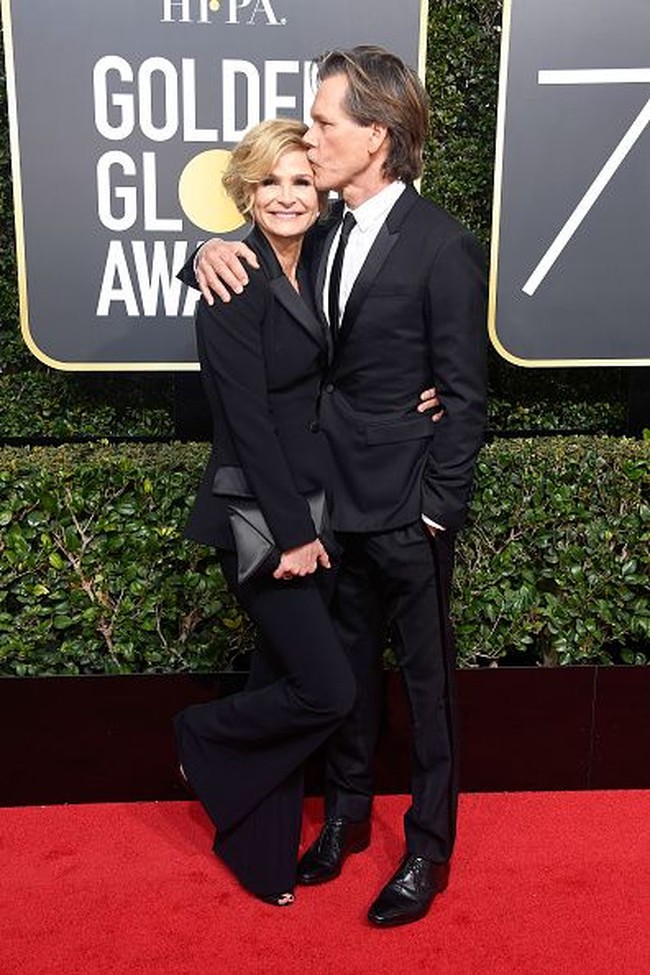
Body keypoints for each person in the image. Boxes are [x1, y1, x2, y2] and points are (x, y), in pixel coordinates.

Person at [190, 46, 487, 927]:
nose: (312, 137)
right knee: (348, 679)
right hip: (326, 508)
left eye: (324, 123)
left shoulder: (443, 247)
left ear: (378, 135)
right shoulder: (315, 233)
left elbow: (466, 395)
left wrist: (438, 507)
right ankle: (348, 821)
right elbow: (255, 271)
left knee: (428, 690)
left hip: (406, 510)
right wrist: (200, 250)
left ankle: (428, 847)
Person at [174, 118, 358, 907]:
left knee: (279, 674)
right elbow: (244, 420)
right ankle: (199, 735)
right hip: (265, 522)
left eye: (300, 180)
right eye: (270, 182)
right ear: (246, 191)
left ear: (318, 191)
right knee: (326, 689)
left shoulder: (318, 259)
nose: (287, 196)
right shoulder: (231, 278)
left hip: (318, 506)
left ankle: (261, 858)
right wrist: (294, 535)